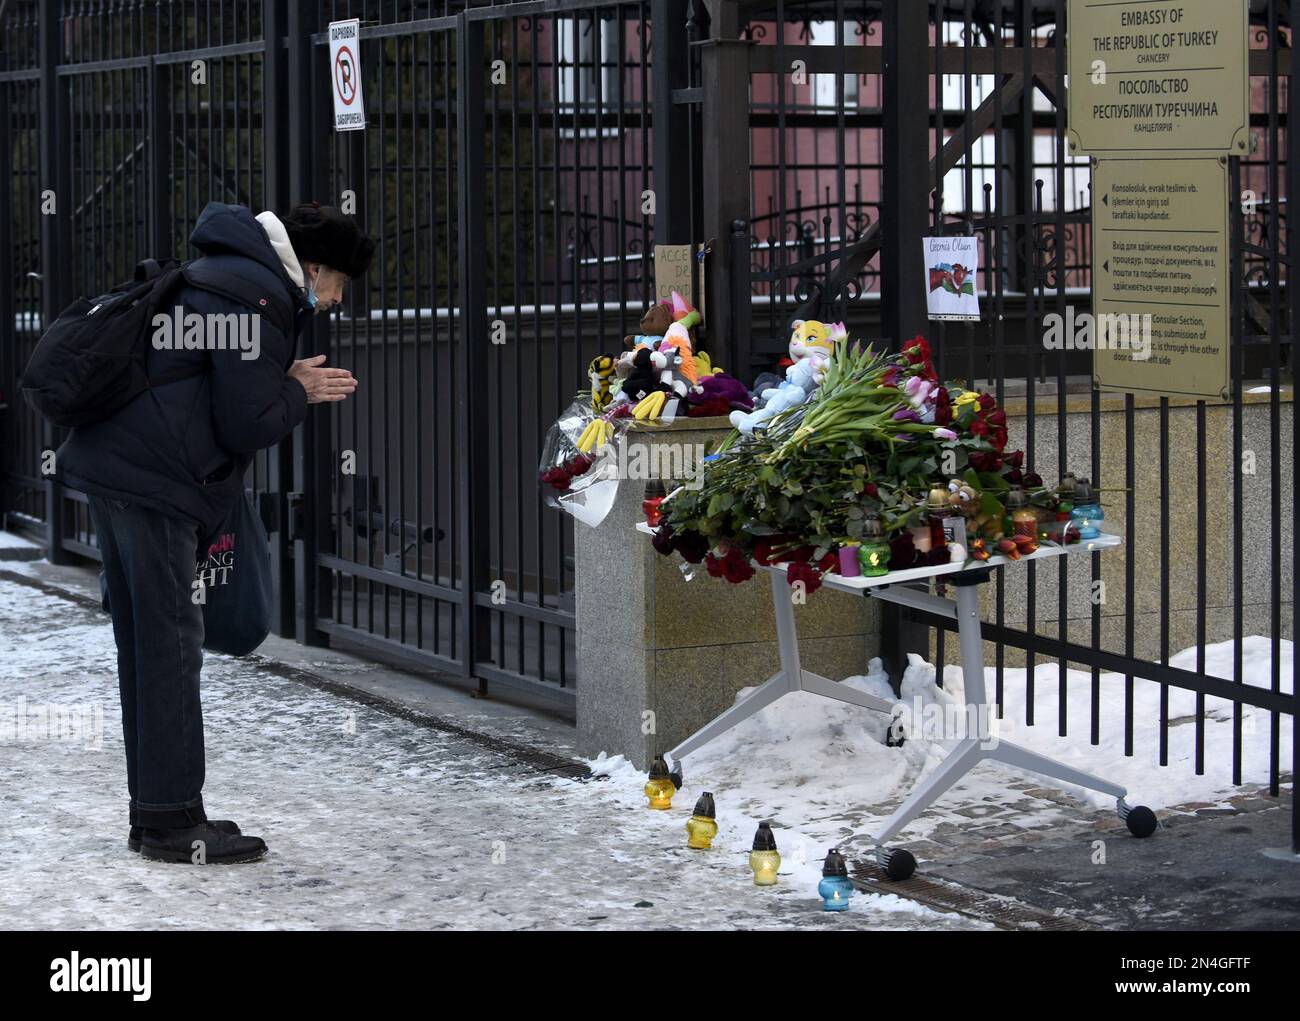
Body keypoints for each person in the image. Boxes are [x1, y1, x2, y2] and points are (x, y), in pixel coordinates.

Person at [57, 201, 374, 863]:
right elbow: (244, 420)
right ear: (314, 266)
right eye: (339, 286)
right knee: (170, 644)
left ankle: (161, 811)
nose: (336, 301)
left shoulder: (224, 272)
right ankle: (172, 821)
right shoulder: (255, 296)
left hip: (120, 470)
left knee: (147, 644)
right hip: (154, 481)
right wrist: (297, 389)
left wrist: (278, 383)